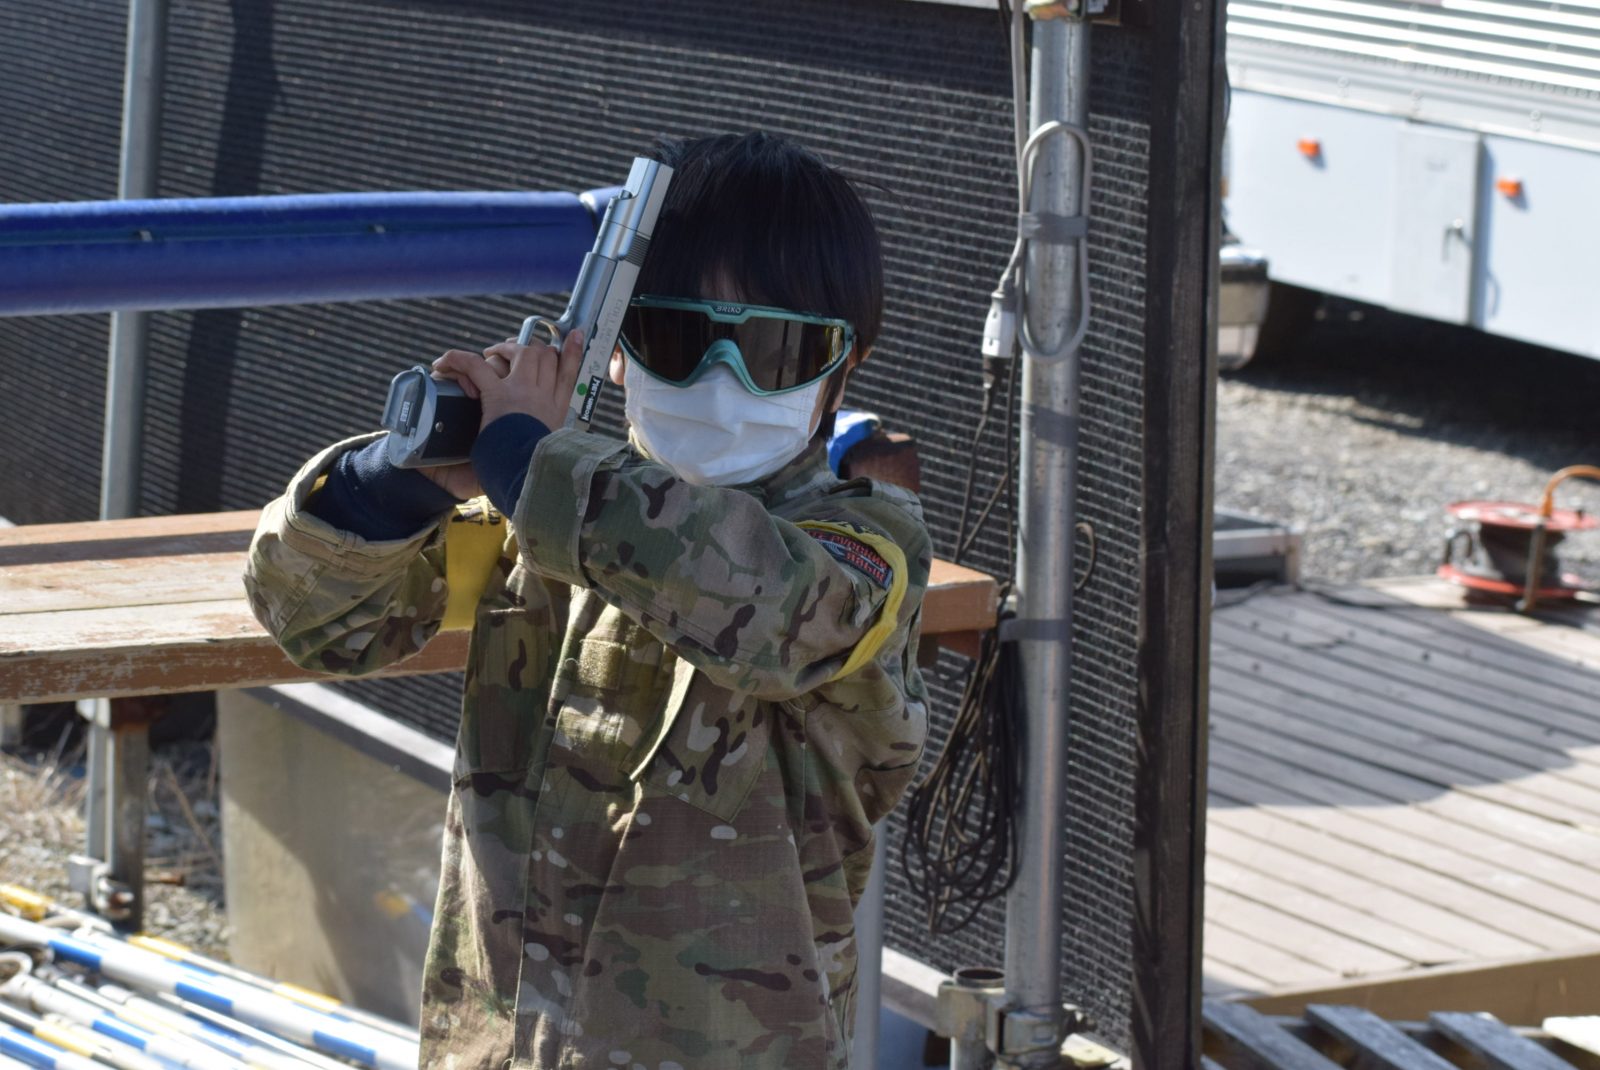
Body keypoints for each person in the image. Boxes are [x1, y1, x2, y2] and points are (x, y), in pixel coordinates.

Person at [244, 131, 931, 1070]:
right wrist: (397, 483)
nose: (719, 381)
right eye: (677, 339)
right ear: (614, 351)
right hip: (500, 1044)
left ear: (845, 367)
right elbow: (318, 621)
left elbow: (770, 609)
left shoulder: (862, 544)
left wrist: (535, 464)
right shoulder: (538, 518)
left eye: (774, 350)